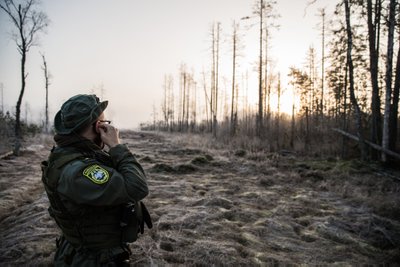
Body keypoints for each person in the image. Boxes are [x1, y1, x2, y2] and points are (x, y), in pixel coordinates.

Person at [41, 94, 152, 266]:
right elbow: (137, 187)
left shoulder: (69, 153)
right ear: (97, 126)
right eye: (104, 123)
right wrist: (117, 146)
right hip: (94, 259)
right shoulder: (80, 171)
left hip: (85, 252)